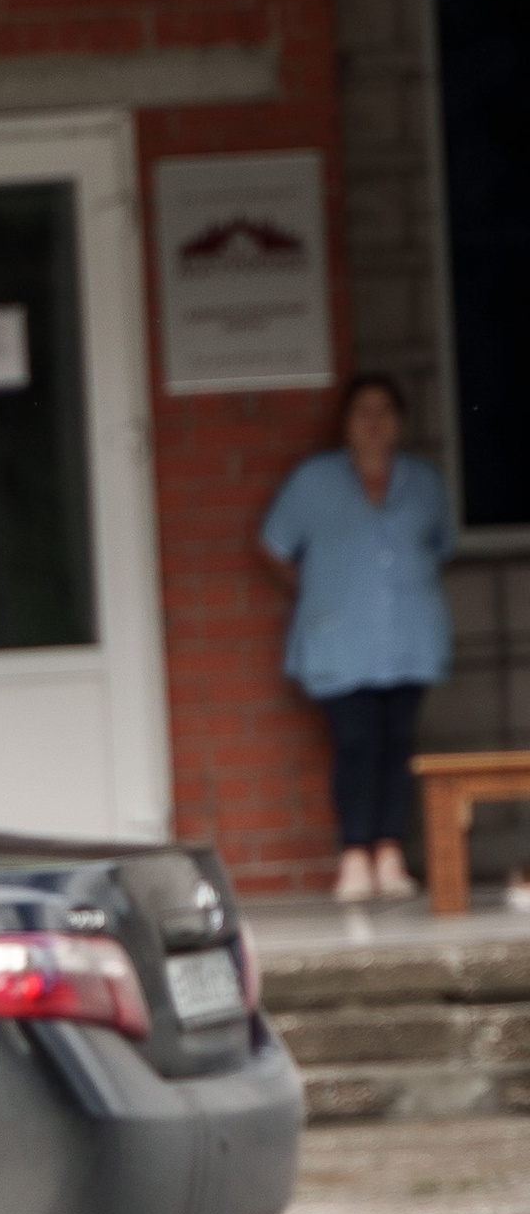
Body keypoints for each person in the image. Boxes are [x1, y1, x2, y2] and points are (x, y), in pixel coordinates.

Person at [259, 372, 455, 905]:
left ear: (399, 423)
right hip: (338, 641)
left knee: (398, 743)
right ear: (345, 425)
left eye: (385, 411)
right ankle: (354, 855)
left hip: (408, 636)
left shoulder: (424, 481)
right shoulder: (313, 482)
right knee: (356, 742)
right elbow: (274, 547)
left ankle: (389, 853)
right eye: (362, 412)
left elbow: (440, 543)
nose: (374, 422)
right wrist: (323, 591)